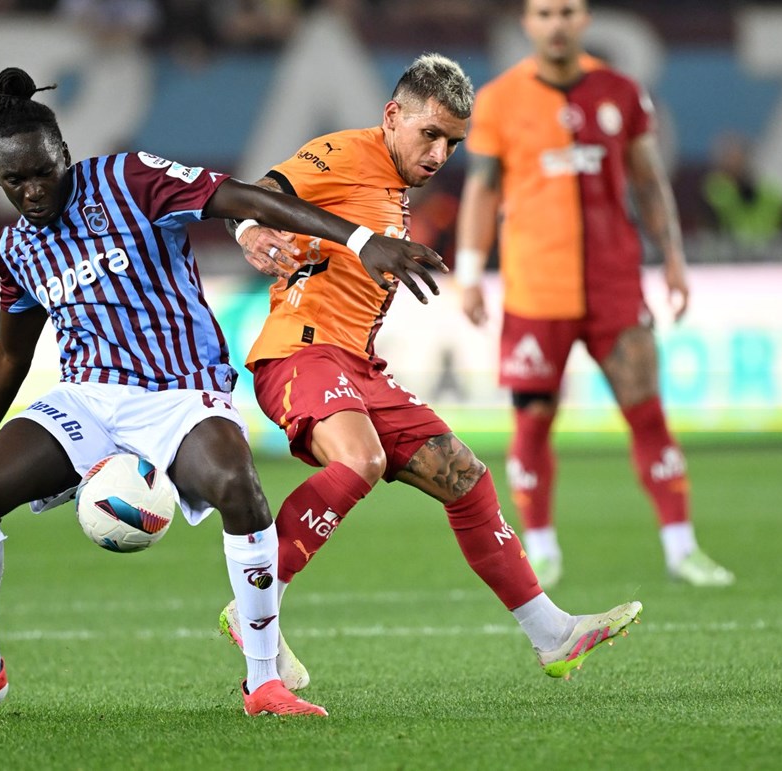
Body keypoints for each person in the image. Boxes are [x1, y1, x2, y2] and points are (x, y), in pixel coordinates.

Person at [0, 66, 448, 720]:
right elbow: (12, 349)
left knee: (240, 488)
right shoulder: (18, 247)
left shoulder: (128, 180)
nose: (33, 191)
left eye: (44, 171)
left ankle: (264, 682)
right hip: (88, 397)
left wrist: (358, 237)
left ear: (66, 152)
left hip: (181, 390)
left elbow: (242, 198)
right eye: (15, 181)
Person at [218, 52, 642, 693]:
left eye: (453, 142)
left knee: (465, 478)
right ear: (392, 116)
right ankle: (255, 602)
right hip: (299, 352)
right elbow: (262, 193)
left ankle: (552, 633)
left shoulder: (394, 187)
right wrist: (250, 226)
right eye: (430, 134)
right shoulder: (343, 152)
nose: (441, 153)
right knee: (357, 459)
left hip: (355, 365)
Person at [454, 0, 734, 589]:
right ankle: (541, 547)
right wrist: (472, 270)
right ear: (527, 24)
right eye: (544, 13)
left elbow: (650, 183)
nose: (556, 23)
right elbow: (482, 190)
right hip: (536, 289)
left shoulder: (622, 92)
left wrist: (675, 259)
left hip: (615, 286)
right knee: (531, 424)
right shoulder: (501, 100)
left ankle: (682, 547)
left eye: (568, 12)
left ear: (585, 20)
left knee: (648, 413)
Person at [701, 131, 782, 252]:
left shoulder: (771, 196)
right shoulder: (714, 193)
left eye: (737, 158)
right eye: (728, 159)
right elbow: (709, 231)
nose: (733, 164)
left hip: (769, 257)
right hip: (727, 258)